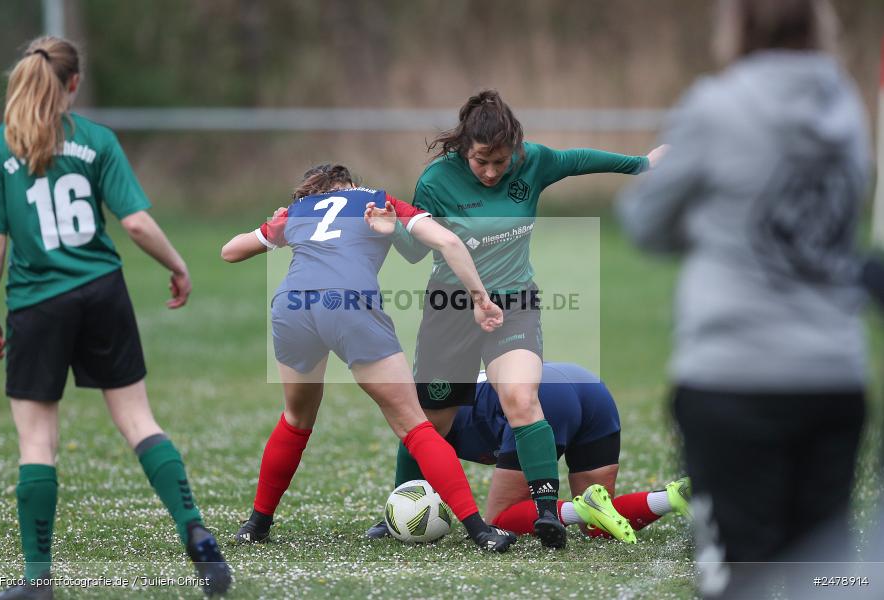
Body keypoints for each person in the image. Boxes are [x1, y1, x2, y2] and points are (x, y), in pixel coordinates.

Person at [617, 0, 871, 597]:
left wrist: (714, 225)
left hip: (735, 374)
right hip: (835, 374)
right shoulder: (850, 108)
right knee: (824, 572)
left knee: (738, 572)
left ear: (738, 24)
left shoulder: (717, 105)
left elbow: (645, 223)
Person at [0, 37, 230, 599]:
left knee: (37, 440)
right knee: (139, 421)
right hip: (102, 292)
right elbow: (137, 224)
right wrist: (177, 265)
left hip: (36, 302)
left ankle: (36, 580)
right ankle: (198, 536)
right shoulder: (96, 141)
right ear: (74, 84)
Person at [374, 89, 666, 549]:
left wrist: (641, 164)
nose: (491, 172)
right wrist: (393, 231)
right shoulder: (436, 180)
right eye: (480, 162)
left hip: (515, 305)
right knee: (433, 418)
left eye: (500, 162)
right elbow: (414, 253)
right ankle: (404, 501)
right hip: (451, 311)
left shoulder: (533, 162)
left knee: (522, 397)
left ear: (515, 148)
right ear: (463, 150)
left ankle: (547, 513)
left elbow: (580, 159)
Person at [220, 163, 517, 552]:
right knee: (414, 425)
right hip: (349, 305)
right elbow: (448, 243)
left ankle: (256, 524)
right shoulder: (377, 201)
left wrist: (279, 222)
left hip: (292, 306)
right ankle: (480, 531)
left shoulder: (298, 211)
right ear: (348, 186)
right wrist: (480, 297)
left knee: (296, 419)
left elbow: (230, 251)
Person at [366, 362, 691, 542]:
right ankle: (671, 498)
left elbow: (411, 446)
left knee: (500, 518)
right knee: (597, 527)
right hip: (586, 386)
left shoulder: (426, 422)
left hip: (543, 397)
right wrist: (389, 520)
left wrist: (390, 521)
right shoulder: (435, 409)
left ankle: (584, 508)